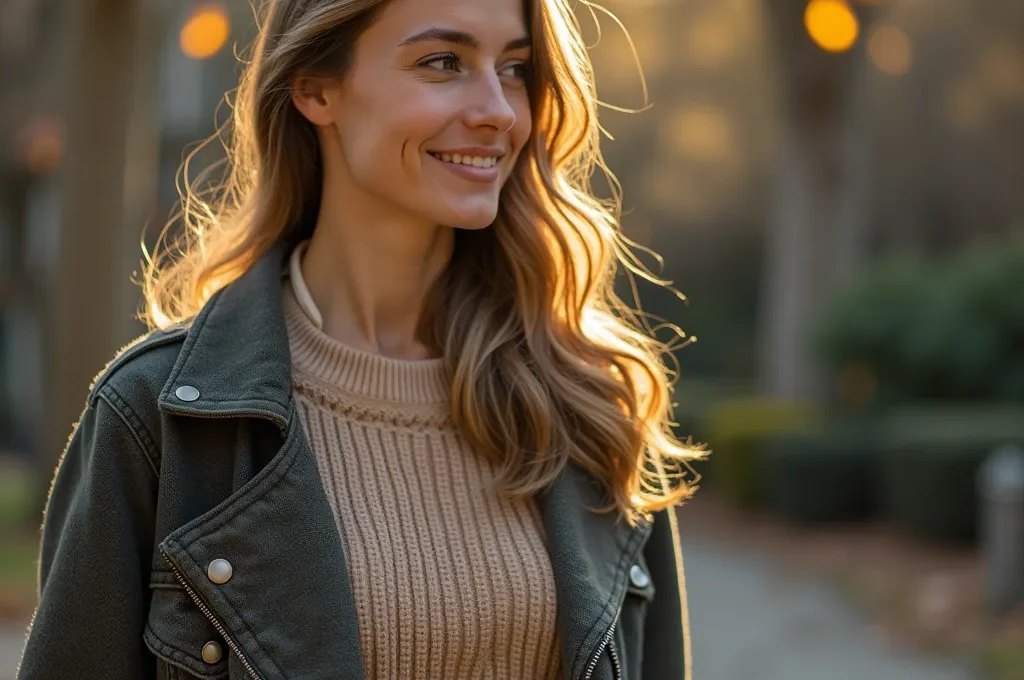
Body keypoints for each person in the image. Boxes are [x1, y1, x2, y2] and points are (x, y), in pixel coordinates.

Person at [17, 0, 704, 678]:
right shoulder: (159, 421)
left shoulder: (590, 406)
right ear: (317, 87)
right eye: (443, 62)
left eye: (517, 68)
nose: (498, 109)